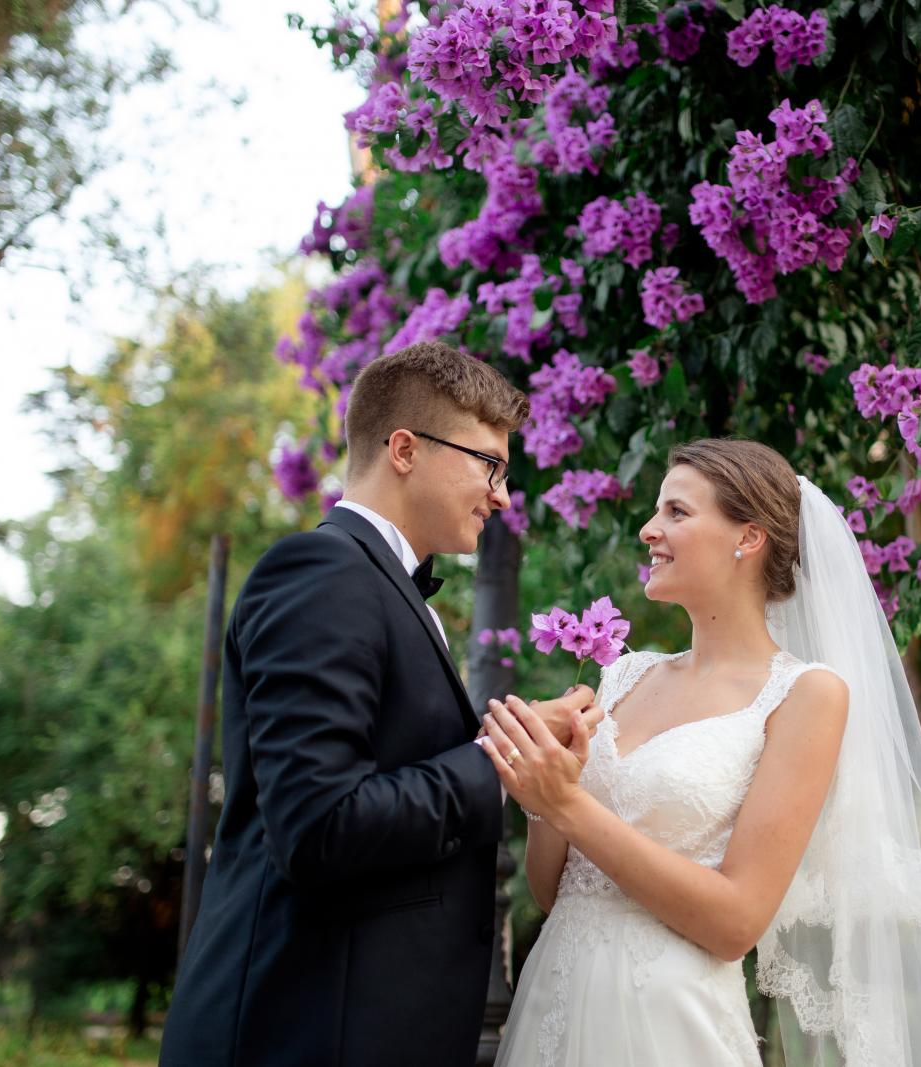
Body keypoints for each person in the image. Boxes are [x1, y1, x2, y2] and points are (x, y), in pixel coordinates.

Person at [160, 341, 599, 1067]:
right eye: (488, 464)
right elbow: (320, 822)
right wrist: (501, 759)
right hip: (300, 1034)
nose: (502, 494)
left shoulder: (385, 584)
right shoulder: (322, 573)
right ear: (404, 448)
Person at [483, 438, 921, 1067]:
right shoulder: (625, 678)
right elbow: (551, 891)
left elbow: (736, 923)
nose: (650, 529)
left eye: (677, 512)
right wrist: (542, 794)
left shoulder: (805, 695)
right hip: (554, 1007)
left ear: (747, 539)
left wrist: (565, 804)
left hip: (670, 1025)